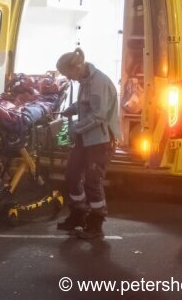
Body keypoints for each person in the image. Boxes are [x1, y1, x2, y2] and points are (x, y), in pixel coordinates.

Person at [54, 48, 120, 240]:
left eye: (68, 74)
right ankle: (78, 214)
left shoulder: (99, 82)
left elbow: (99, 115)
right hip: (87, 138)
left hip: (100, 139)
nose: (69, 78)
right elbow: (86, 105)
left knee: (93, 180)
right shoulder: (85, 80)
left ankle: (96, 223)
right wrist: (71, 109)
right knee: (72, 174)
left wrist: (76, 128)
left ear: (76, 67)